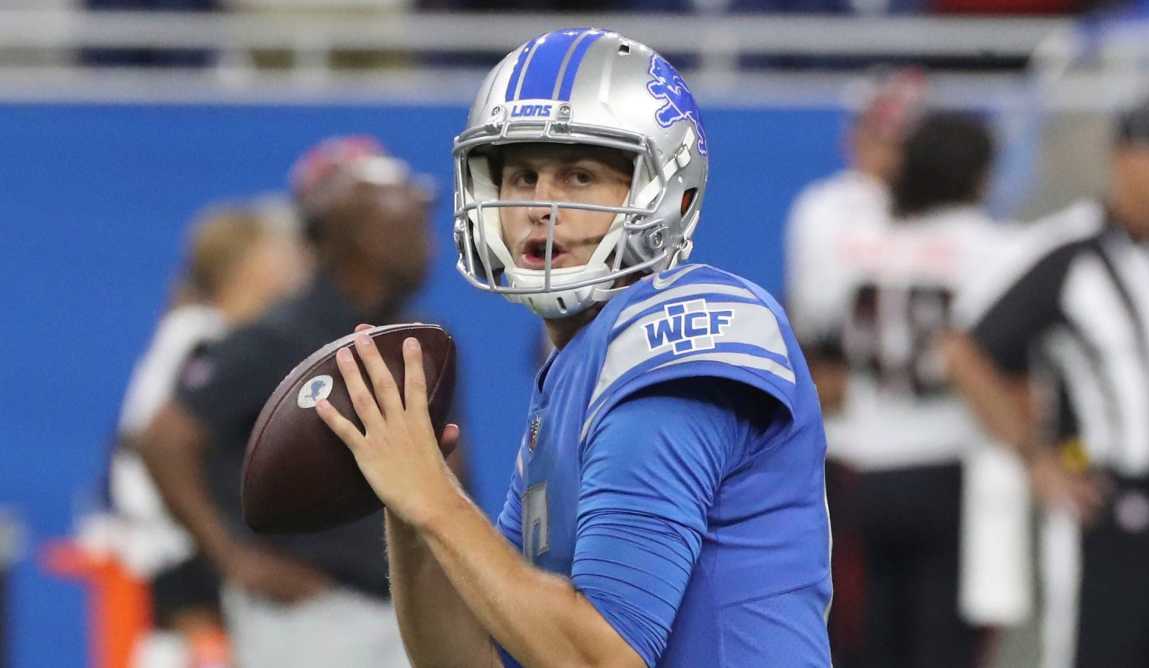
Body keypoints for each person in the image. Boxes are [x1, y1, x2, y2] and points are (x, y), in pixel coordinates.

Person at [313, 29, 833, 667]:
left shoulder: (689, 323)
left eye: (580, 176)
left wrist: (435, 498)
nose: (540, 205)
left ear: (673, 197)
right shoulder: (568, 373)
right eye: (523, 175)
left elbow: (602, 659)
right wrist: (411, 513)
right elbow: (470, 661)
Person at [138, 136, 436, 668]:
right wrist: (233, 558)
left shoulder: (421, 336)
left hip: (409, 609)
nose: (424, 238)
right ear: (354, 233)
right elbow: (164, 439)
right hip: (312, 618)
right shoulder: (279, 335)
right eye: (403, 219)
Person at [946, 89, 1149, 668]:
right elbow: (965, 353)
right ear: (1125, 159)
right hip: (1110, 510)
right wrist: (1036, 456)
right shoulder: (1071, 258)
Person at [791, 110, 1019, 667]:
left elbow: (811, 341)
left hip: (854, 468)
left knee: (859, 645)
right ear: (979, 176)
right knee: (947, 648)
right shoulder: (994, 248)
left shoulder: (841, 236)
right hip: (949, 468)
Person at [110, 202, 309, 666]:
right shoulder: (201, 341)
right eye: (284, 251)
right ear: (251, 266)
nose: (300, 261)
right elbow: (142, 454)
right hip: (183, 573)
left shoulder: (216, 337)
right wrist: (207, 560)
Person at [783, 67, 926, 414]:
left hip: (922, 380)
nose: (885, 151)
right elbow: (811, 313)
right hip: (845, 372)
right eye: (876, 134)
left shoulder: (936, 208)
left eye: (896, 140)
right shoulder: (825, 205)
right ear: (854, 135)